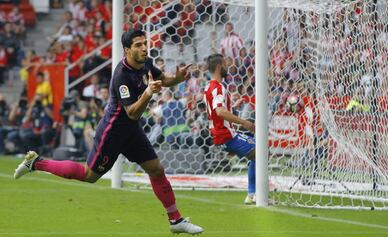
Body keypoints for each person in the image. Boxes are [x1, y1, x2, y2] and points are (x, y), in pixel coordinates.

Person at [13, 29, 203, 235]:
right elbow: (131, 112)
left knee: (156, 169)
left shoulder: (146, 63)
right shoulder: (121, 75)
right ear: (127, 50)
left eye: (144, 43)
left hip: (132, 131)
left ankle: (176, 220)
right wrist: (148, 92)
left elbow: (162, 79)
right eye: (138, 45)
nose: (144, 48)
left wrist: (178, 79)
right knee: (89, 175)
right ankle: (36, 163)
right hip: (112, 132)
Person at [204, 53, 256, 204]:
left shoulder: (209, 86)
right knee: (260, 153)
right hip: (225, 135)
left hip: (222, 133)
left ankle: (253, 193)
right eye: (226, 64)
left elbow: (217, 111)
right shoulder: (218, 88)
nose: (228, 67)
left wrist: (232, 107)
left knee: (257, 152)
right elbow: (220, 112)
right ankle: (254, 194)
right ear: (219, 67)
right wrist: (244, 123)